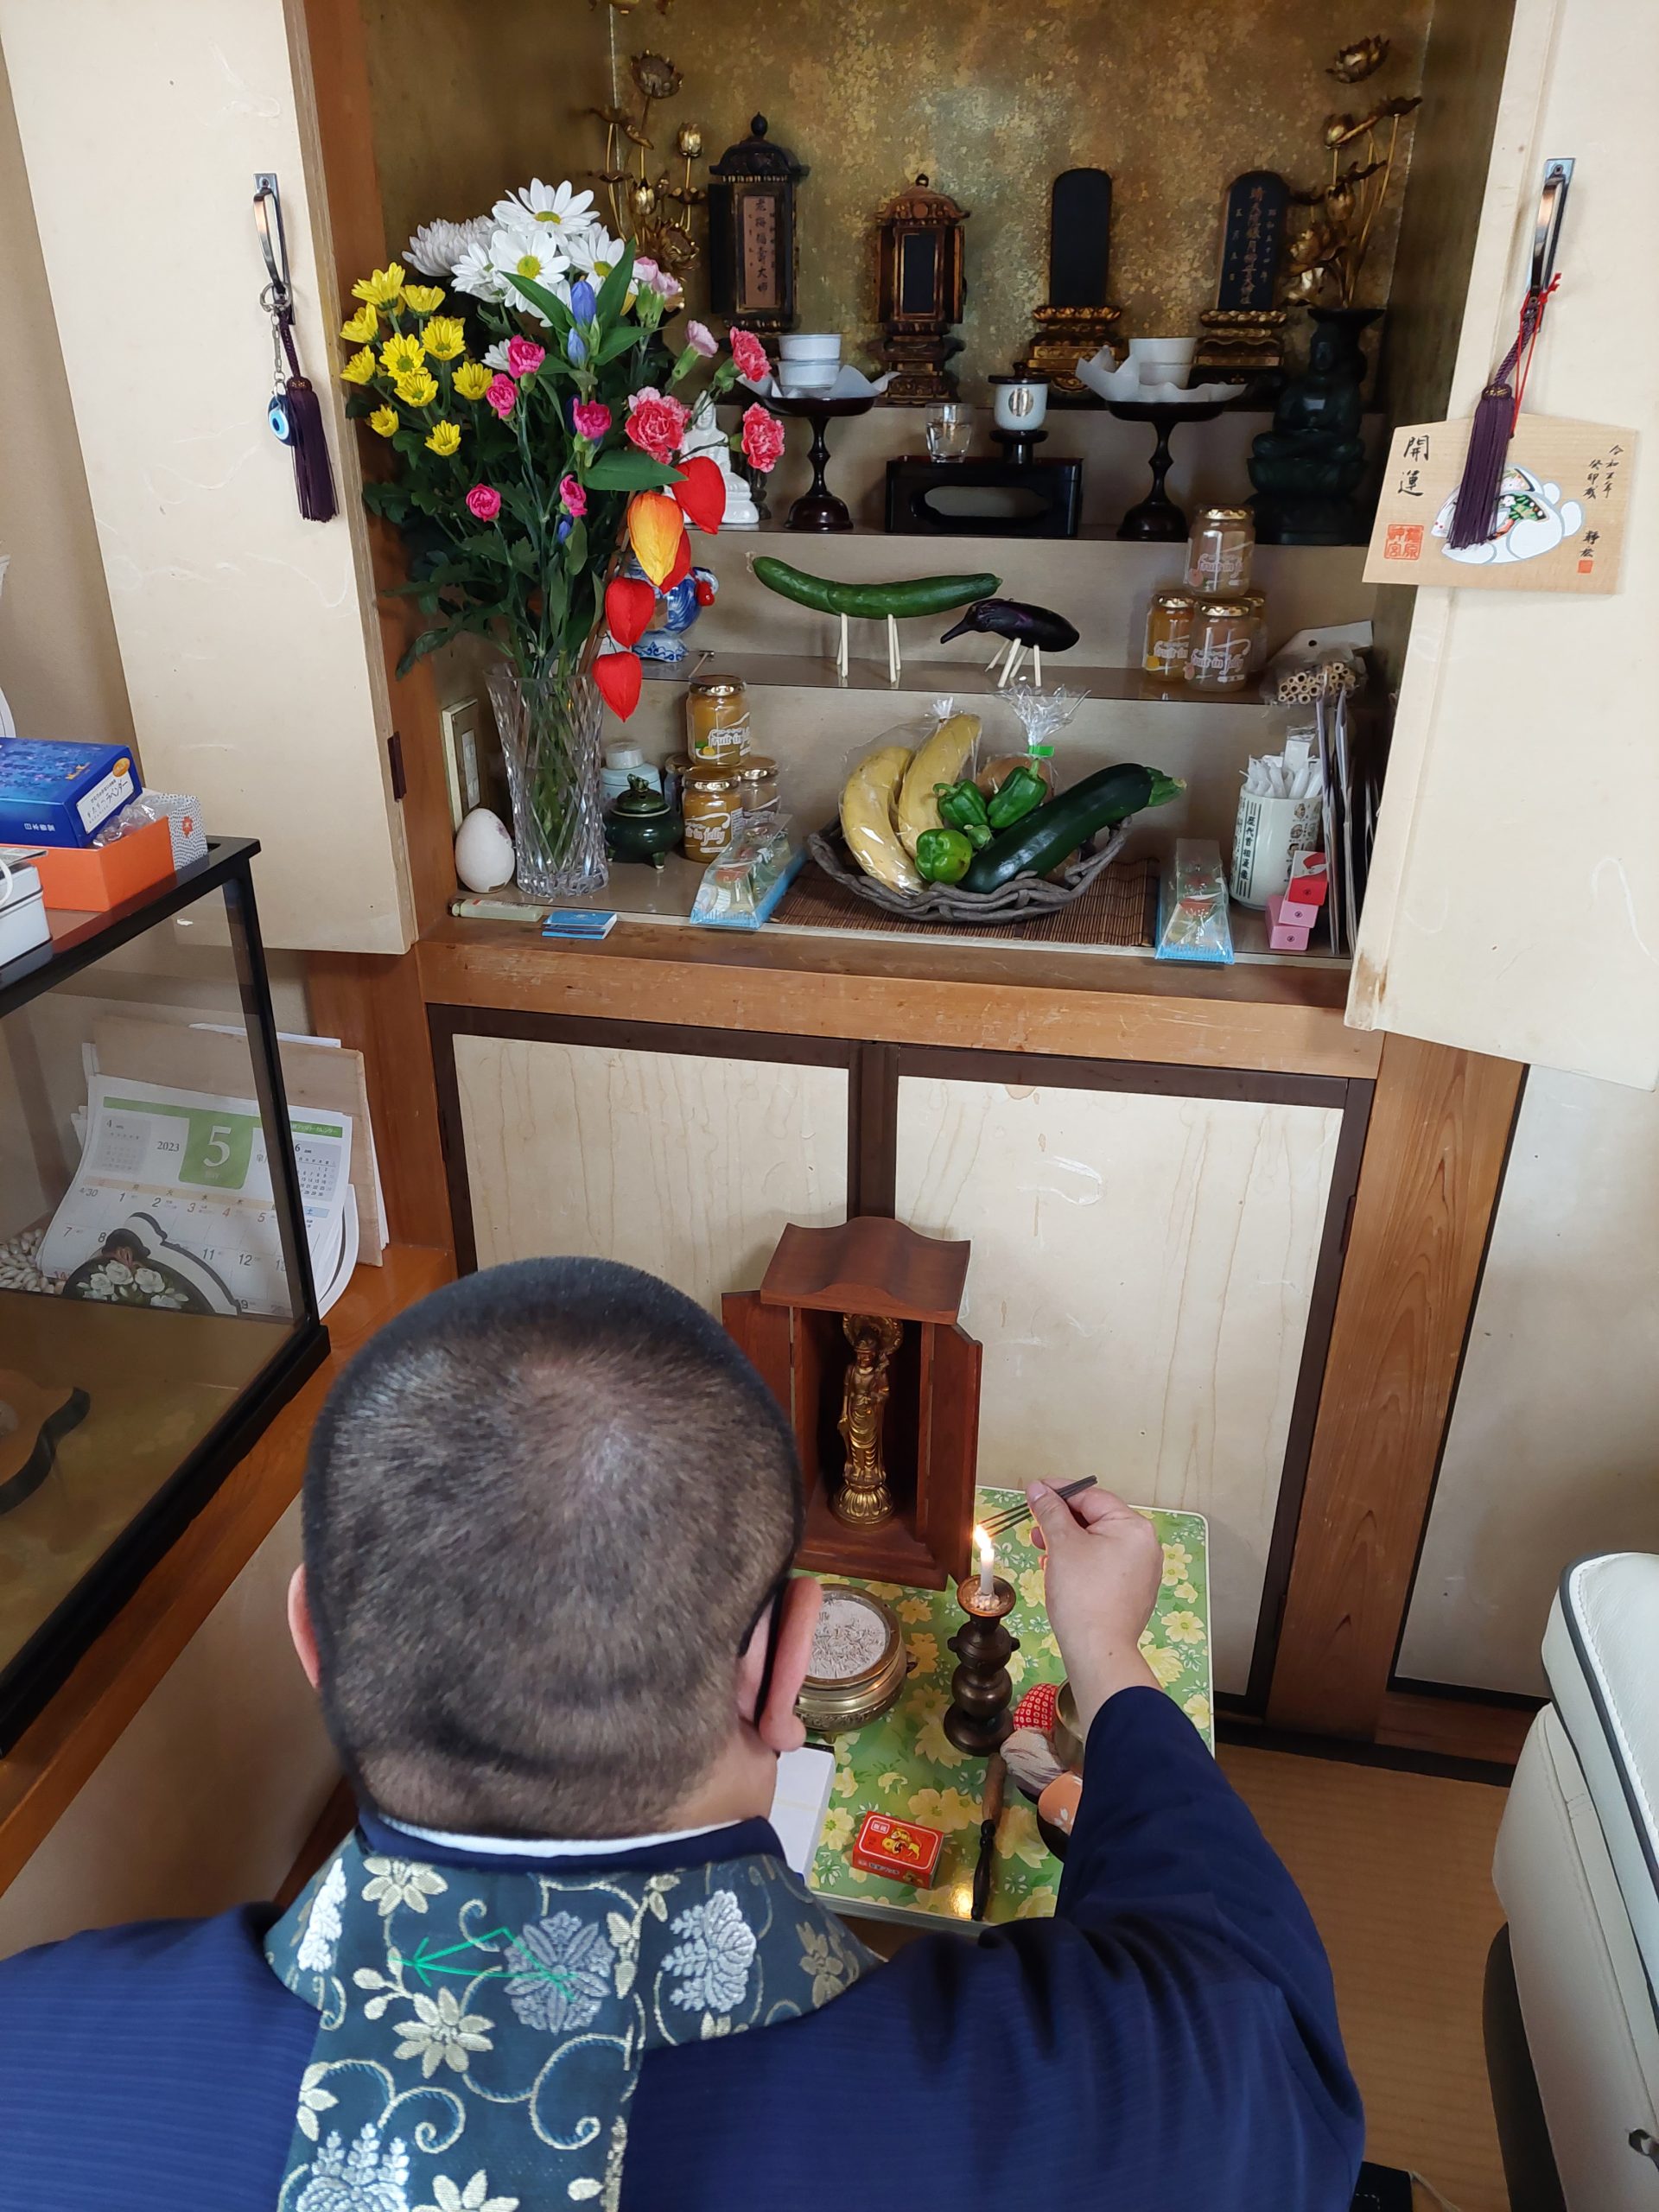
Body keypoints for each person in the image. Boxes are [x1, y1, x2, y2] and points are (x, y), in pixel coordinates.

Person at [0, 1259, 1363, 2210]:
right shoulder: (1124, 2110)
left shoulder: (34, 2052)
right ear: (785, 1662)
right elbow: (1261, 2007)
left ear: (317, 1643)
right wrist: (1108, 1655)